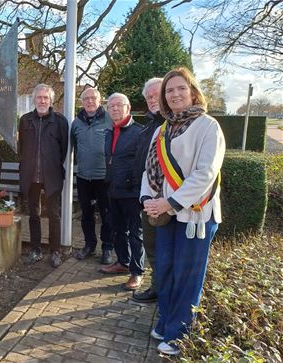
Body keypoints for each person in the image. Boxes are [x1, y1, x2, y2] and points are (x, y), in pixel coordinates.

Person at [141, 67, 225, 356]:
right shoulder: (163, 129)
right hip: (166, 215)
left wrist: (170, 202)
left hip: (195, 216)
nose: (175, 94)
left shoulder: (208, 126)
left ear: (192, 91)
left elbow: (205, 174)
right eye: (169, 90)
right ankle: (165, 322)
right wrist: (148, 199)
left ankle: (179, 334)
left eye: (180, 88)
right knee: (164, 270)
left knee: (187, 276)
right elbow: (149, 171)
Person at [18, 84, 69, 268]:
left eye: (45, 98)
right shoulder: (25, 120)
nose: (42, 101)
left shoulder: (60, 122)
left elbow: (63, 150)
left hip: (52, 175)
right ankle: (36, 249)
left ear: (51, 101)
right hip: (30, 176)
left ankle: (55, 251)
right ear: (33, 99)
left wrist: (51, 164)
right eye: (39, 97)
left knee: (54, 214)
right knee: (33, 214)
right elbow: (21, 147)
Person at [99, 93, 145, 291]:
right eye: (111, 106)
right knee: (118, 229)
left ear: (128, 107)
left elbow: (142, 163)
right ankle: (122, 263)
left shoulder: (139, 132)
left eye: (119, 105)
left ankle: (137, 272)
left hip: (132, 192)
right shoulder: (110, 132)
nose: (115, 109)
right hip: (114, 189)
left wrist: (133, 184)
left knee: (136, 233)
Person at [70, 87, 114, 265]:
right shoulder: (76, 123)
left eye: (93, 98)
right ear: (81, 102)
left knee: (106, 214)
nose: (89, 101)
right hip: (83, 177)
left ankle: (107, 248)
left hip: (104, 177)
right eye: (86, 99)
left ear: (100, 100)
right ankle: (89, 245)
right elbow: (73, 146)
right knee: (86, 214)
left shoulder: (109, 119)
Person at [131, 78, 165, 304]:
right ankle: (157, 287)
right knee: (152, 245)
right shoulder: (149, 126)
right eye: (149, 97)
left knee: (163, 247)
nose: (152, 99)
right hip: (147, 197)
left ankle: (161, 289)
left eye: (156, 95)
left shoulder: (170, 125)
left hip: (168, 201)